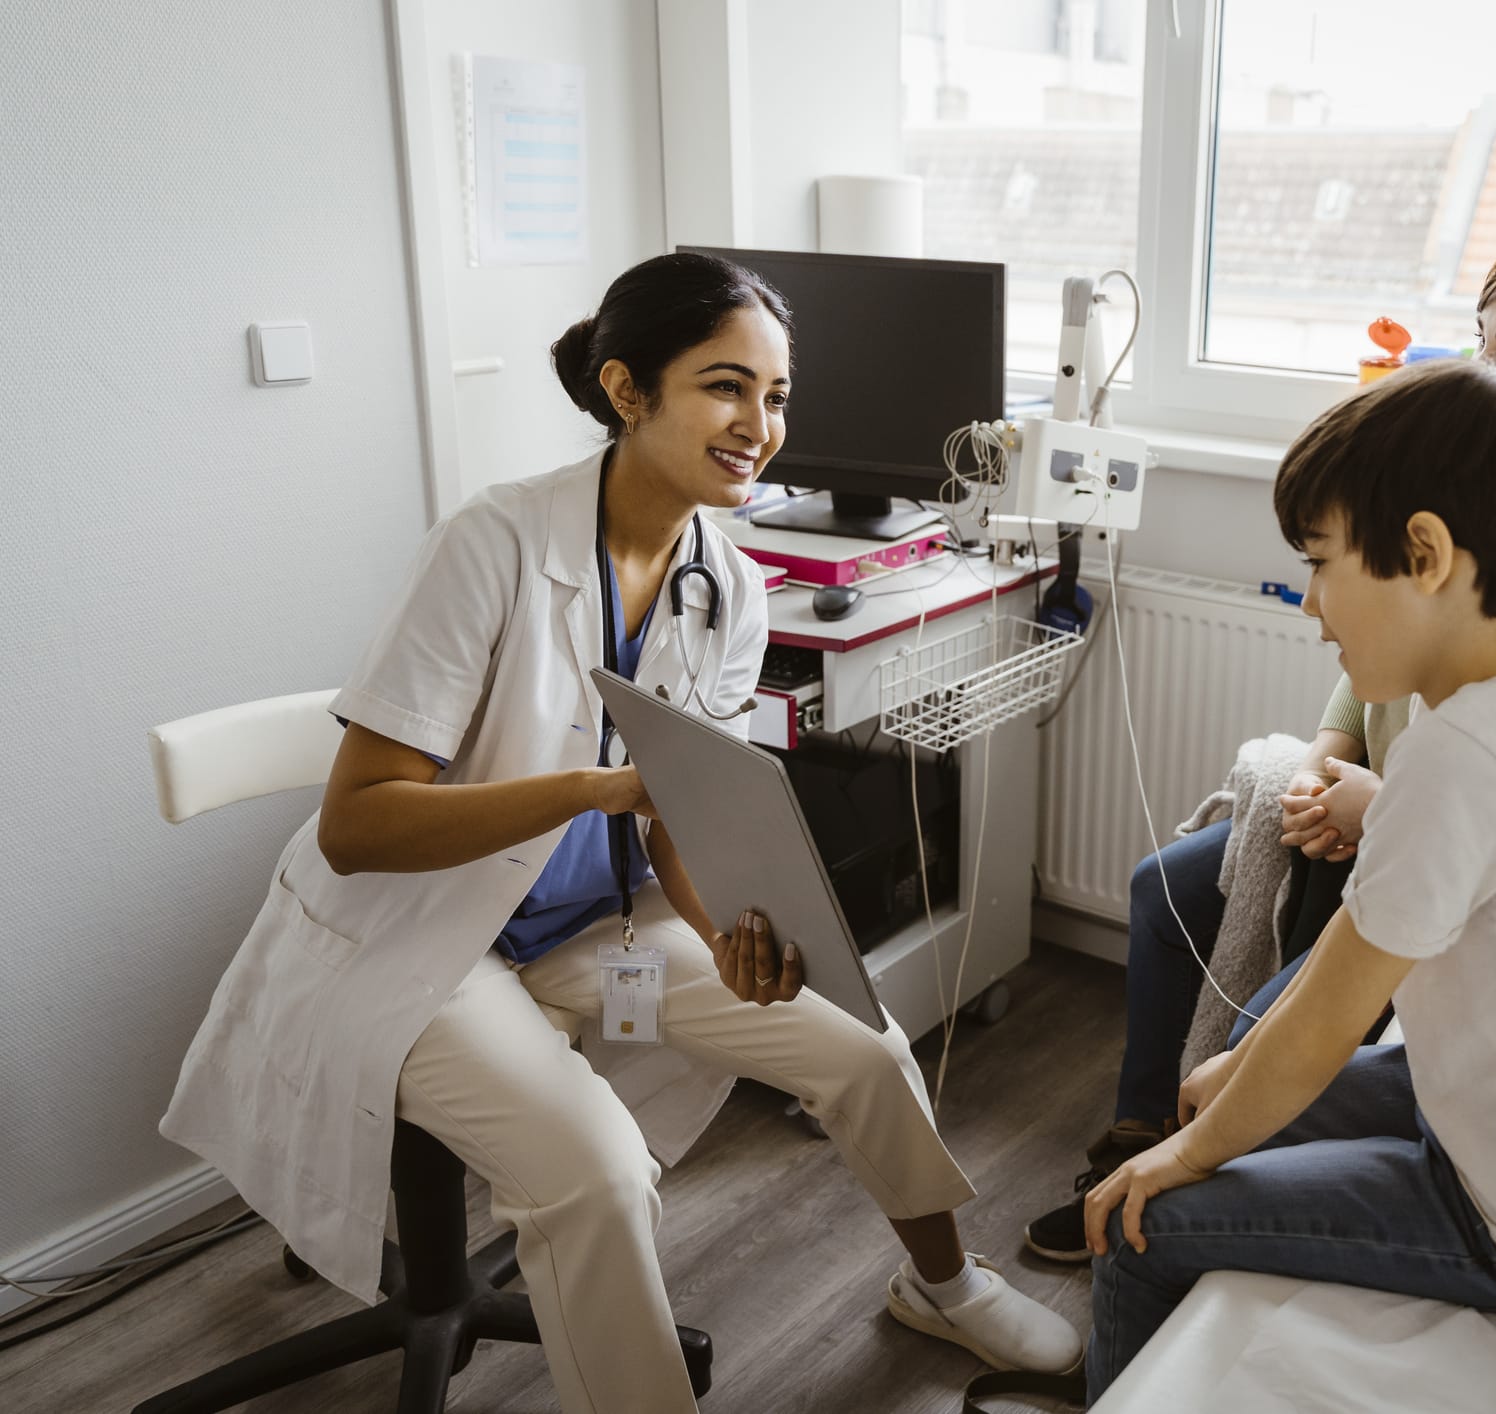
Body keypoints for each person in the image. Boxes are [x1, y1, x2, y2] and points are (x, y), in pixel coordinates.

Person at [159, 252, 1080, 1414]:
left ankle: (944, 1286)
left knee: (864, 1040)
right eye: (726, 386)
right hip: (429, 944)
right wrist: (586, 793)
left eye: (778, 394)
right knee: (598, 1174)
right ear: (628, 389)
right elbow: (356, 826)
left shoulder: (727, 583)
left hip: (598, 927)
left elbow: (682, 811)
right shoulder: (490, 545)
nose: (761, 424)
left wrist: (731, 931)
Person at [1025, 223, 1496, 1260]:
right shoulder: (1494, 550)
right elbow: (1394, 653)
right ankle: (1147, 1139)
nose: (1476, 373)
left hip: (1443, 860)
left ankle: (1163, 1204)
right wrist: (1329, 758)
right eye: (1478, 343)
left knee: (1253, 1057)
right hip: (1391, 819)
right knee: (1167, 892)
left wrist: (1383, 809)